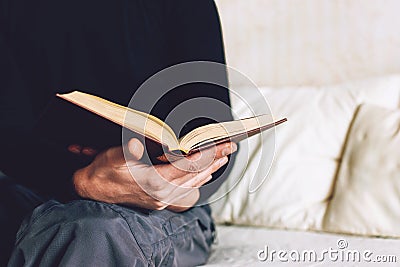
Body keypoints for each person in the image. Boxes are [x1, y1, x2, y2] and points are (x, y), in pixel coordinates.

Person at [0, 0, 237, 266]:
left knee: (91, 233)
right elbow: (9, 138)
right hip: (32, 187)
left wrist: (172, 188)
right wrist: (83, 181)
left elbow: (214, 132)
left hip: (165, 204)